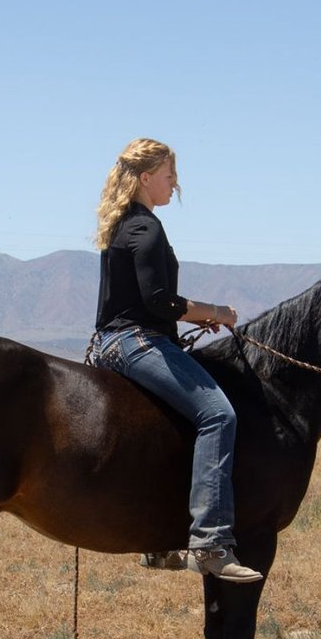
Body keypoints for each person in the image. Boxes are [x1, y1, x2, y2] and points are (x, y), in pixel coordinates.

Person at [91, 138, 263, 584]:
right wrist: (216, 313)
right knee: (217, 414)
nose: (175, 184)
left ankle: (159, 544)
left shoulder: (123, 224)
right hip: (134, 343)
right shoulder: (146, 229)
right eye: (169, 176)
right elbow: (160, 300)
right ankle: (210, 542)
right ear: (146, 178)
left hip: (111, 342)